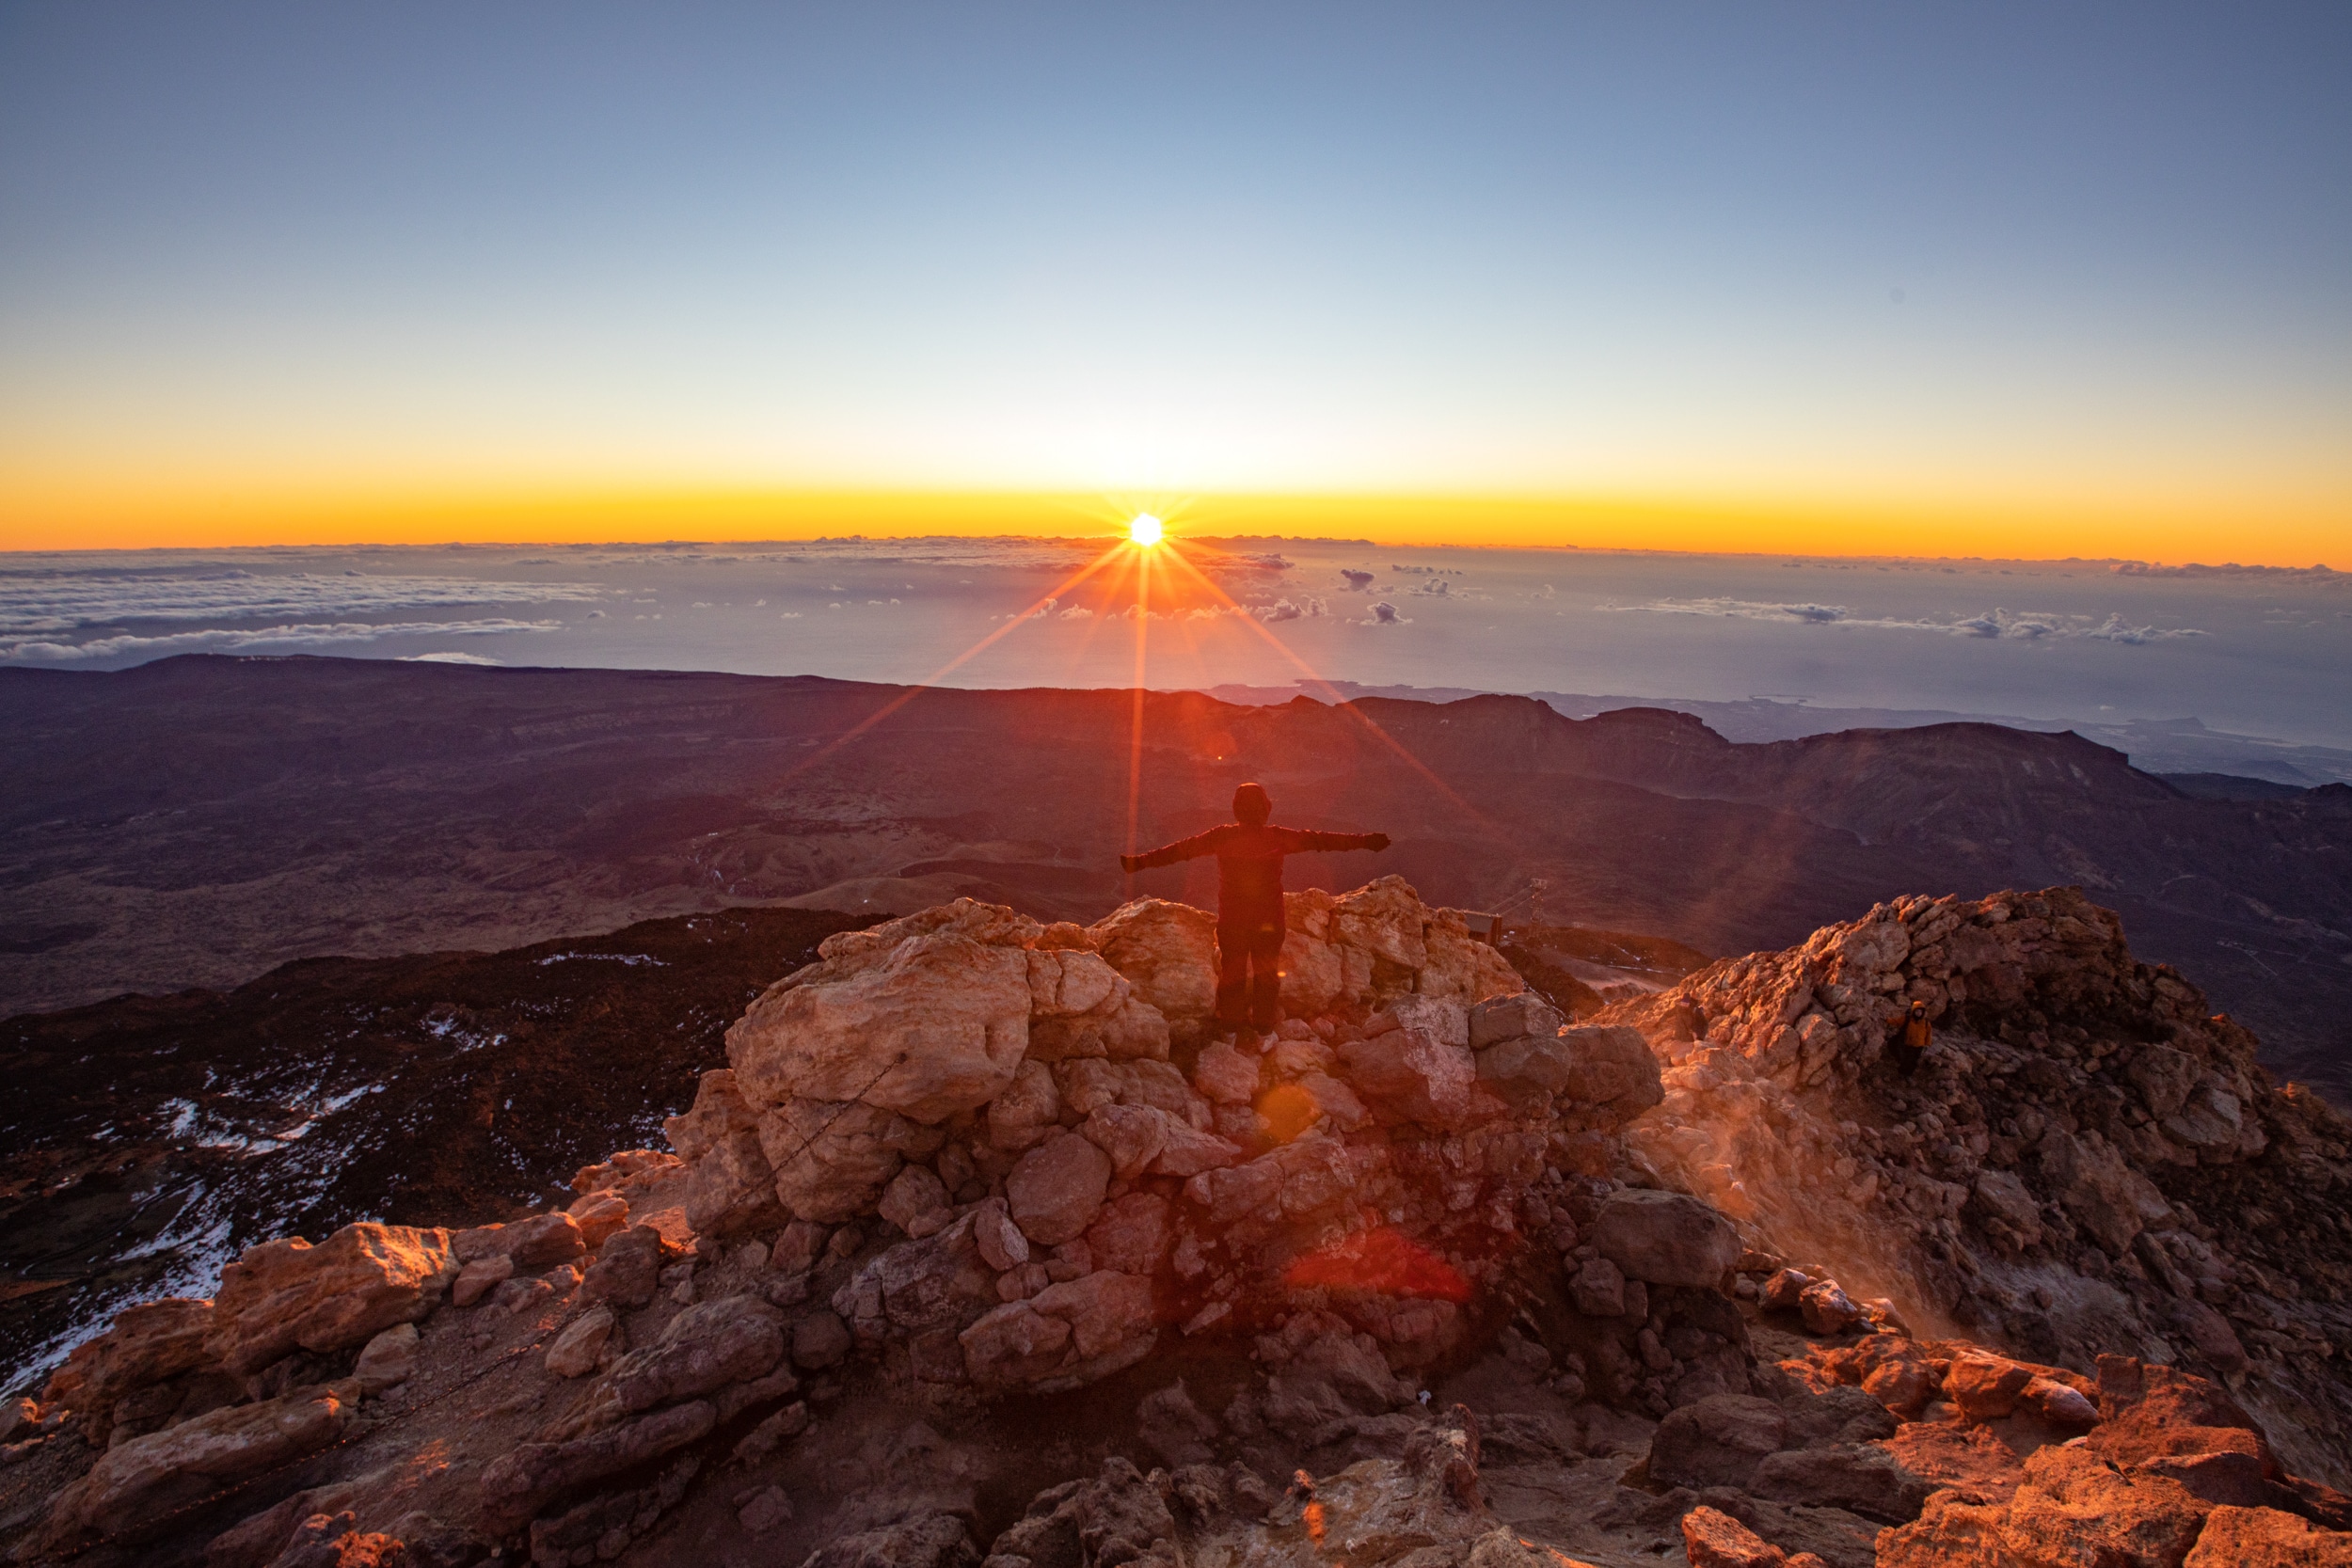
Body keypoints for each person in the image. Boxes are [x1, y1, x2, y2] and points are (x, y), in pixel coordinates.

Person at [1120, 784, 1390, 1037]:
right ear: (1266, 808)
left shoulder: (1222, 837)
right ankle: (1263, 1031)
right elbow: (1322, 840)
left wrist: (1139, 863)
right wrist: (1366, 841)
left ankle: (1230, 1028)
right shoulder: (1278, 837)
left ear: (1237, 809)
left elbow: (1179, 851)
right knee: (1267, 974)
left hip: (1233, 921)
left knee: (1233, 972)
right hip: (1269, 922)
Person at [1895, 999, 1931, 1077]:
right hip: (1908, 1043)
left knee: (1914, 1061)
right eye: (1917, 1011)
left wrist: (1927, 1044)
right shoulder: (1908, 1020)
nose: (1918, 1013)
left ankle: (1908, 1075)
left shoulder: (1926, 1023)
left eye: (1920, 1012)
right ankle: (1901, 1073)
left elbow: (1928, 1034)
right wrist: (1886, 1019)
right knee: (1906, 1059)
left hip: (1919, 1046)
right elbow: (1897, 1022)